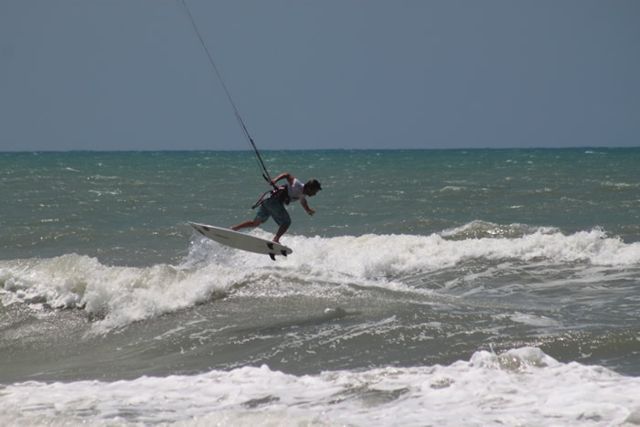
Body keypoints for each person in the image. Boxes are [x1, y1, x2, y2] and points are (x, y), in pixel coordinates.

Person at [231, 173, 322, 243]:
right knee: (286, 222)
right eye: (315, 191)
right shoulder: (297, 184)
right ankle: (276, 239)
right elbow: (287, 174)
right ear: (310, 188)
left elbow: (303, 202)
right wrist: (275, 180)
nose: (315, 194)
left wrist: (308, 210)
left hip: (267, 200)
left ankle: (234, 229)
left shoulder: (302, 194)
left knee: (255, 223)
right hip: (273, 201)